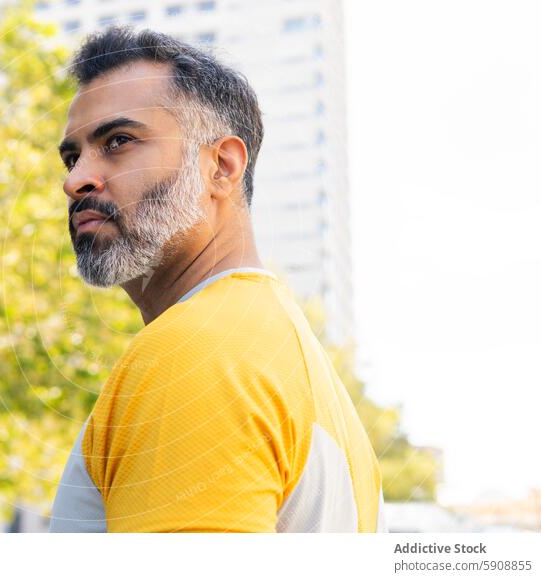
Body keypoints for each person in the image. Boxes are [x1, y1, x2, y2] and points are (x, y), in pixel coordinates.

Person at [49, 26, 387, 533]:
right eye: (73, 156)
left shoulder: (195, 351)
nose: (75, 181)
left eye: (118, 141)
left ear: (222, 167)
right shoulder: (282, 353)